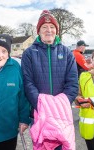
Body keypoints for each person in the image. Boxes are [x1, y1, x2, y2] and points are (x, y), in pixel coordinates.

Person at [21, 10, 78, 150]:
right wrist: (43, 106)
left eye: (52, 27)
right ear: (38, 31)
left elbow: (72, 83)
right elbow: (28, 83)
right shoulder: (29, 53)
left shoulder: (66, 53)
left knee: (61, 146)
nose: (49, 30)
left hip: (61, 114)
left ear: (56, 31)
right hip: (39, 113)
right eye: (44, 27)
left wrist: (59, 106)